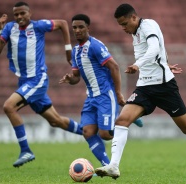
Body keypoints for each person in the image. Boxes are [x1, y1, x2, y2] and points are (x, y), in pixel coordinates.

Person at [95, 3, 186, 179]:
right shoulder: (135, 34)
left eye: (124, 24)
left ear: (134, 17)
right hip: (144, 87)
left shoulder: (148, 25)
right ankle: (113, 166)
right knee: (122, 120)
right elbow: (158, 52)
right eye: (120, 25)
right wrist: (165, 64)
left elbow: (154, 48)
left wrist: (138, 64)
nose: (123, 28)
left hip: (164, 86)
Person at [0, 1, 83, 168]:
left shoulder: (39, 26)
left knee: (8, 107)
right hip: (24, 81)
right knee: (56, 121)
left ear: (30, 13)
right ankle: (90, 133)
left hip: (38, 79)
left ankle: (26, 150)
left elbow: (62, 24)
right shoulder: (9, 28)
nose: (19, 17)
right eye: (16, 14)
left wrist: (68, 50)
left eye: (22, 13)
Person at [59, 14, 143, 167]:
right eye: (75, 28)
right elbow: (77, 77)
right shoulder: (76, 51)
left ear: (88, 28)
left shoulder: (95, 46)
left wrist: (118, 93)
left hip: (105, 94)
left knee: (105, 135)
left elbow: (114, 66)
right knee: (88, 132)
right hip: (91, 97)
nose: (77, 30)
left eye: (81, 27)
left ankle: (125, 116)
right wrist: (70, 79)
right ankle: (107, 165)